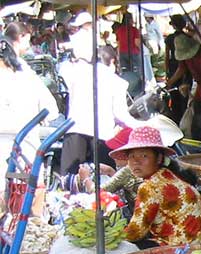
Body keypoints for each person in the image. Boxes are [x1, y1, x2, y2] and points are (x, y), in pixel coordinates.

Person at [110, 126, 201, 247]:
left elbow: (136, 232)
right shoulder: (168, 176)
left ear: (159, 158)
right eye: (131, 156)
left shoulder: (150, 187)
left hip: (181, 251)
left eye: (144, 156)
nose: (136, 161)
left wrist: (109, 237)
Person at [60, 43, 143, 175]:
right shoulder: (117, 82)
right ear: (113, 61)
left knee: (70, 181)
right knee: (104, 184)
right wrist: (140, 126)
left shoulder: (76, 75)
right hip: (101, 134)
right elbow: (120, 114)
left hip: (74, 130)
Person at [0, 37, 59, 175]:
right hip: (28, 150)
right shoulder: (28, 76)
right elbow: (51, 111)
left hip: (20, 150)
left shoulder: (26, 76)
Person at [163, 15, 190, 123]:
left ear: (173, 25)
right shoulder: (188, 37)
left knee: (175, 99)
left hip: (174, 68)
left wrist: (167, 73)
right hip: (187, 70)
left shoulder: (169, 38)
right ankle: (184, 120)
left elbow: (166, 56)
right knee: (185, 98)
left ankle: (176, 121)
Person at [114, 12, 143, 96]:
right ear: (130, 20)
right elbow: (137, 42)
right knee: (136, 74)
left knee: (126, 73)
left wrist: (118, 56)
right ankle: (135, 93)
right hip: (134, 53)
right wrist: (142, 50)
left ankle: (127, 92)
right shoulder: (134, 30)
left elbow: (118, 44)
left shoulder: (119, 30)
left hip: (123, 54)